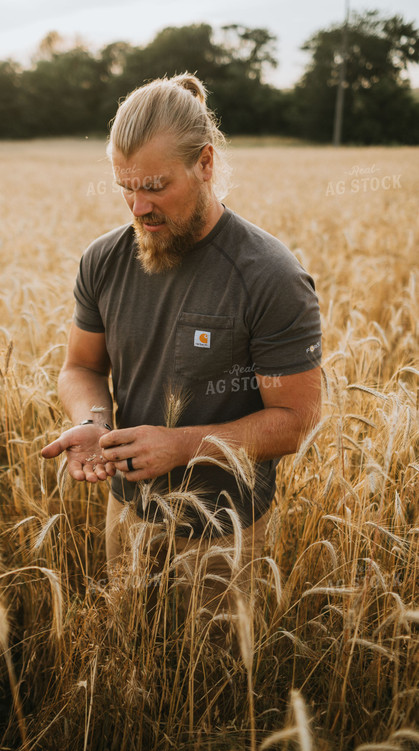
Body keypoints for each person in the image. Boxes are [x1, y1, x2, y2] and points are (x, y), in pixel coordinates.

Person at [41, 73, 322, 624]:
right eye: (126, 187)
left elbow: (298, 419)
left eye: (155, 186)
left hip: (225, 533)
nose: (137, 206)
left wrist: (181, 446)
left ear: (206, 164)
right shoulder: (103, 260)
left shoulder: (268, 275)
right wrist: (94, 420)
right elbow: (80, 366)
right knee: (127, 665)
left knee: (207, 695)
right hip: (127, 512)